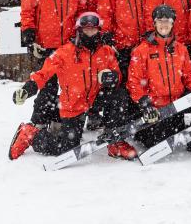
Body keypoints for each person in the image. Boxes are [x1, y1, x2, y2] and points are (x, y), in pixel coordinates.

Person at [8, 12, 136, 161]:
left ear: (99, 30)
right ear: (79, 30)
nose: (90, 33)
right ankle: (30, 134)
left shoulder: (105, 51)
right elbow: (43, 73)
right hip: (73, 104)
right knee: (66, 147)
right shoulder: (65, 52)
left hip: (95, 99)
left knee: (119, 94)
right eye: (86, 29)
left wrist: (113, 77)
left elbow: (117, 74)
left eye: (93, 29)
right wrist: (27, 88)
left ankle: (116, 141)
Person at [127, 5, 191, 154]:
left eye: (168, 20)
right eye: (160, 20)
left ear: (172, 23)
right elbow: (134, 82)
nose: (164, 24)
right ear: (154, 23)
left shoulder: (181, 49)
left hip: (177, 104)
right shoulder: (142, 50)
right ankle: (143, 132)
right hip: (156, 108)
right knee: (156, 141)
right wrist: (144, 103)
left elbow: (188, 77)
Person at [19, 0, 81, 127]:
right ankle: (37, 123)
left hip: (69, 44)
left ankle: (59, 119)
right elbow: (27, 8)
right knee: (47, 86)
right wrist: (28, 33)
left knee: (70, 85)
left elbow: (80, 8)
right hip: (45, 43)